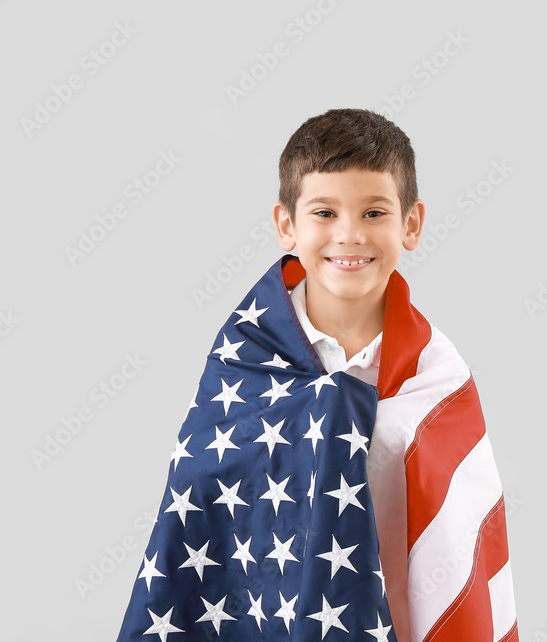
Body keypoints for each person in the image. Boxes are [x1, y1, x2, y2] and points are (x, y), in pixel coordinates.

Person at [114, 108, 518, 642]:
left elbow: (462, 540)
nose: (349, 235)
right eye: (324, 212)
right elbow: (197, 513)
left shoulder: (436, 377)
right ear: (287, 225)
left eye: (374, 212)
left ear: (411, 223)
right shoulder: (244, 358)